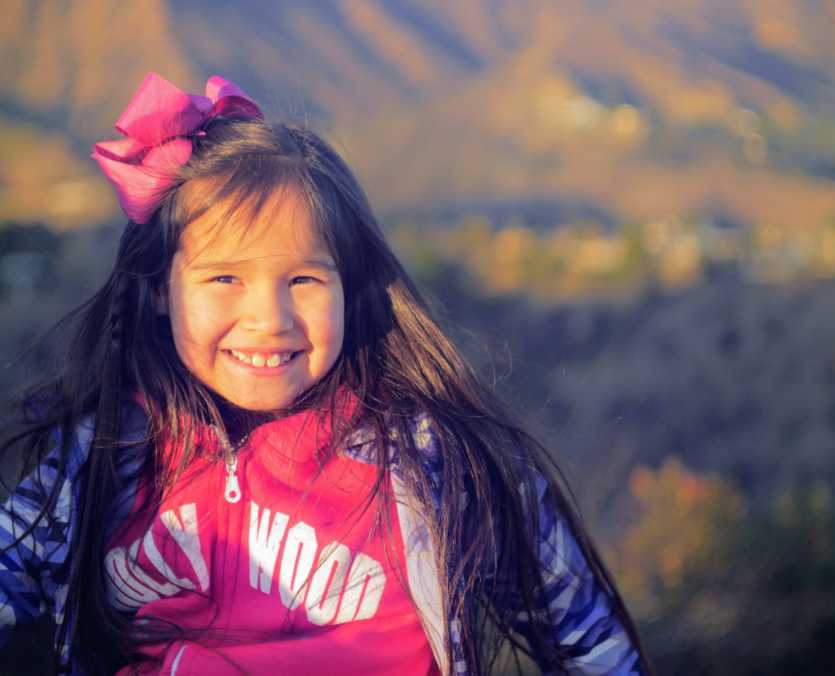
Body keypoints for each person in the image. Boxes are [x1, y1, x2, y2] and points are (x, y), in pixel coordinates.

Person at [0, 72, 651, 675]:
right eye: (225, 278)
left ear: (351, 286)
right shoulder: (101, 459)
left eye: (304, 279)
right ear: (160, 288)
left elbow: (590, 641)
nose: (269, 318)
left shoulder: (435, 465)